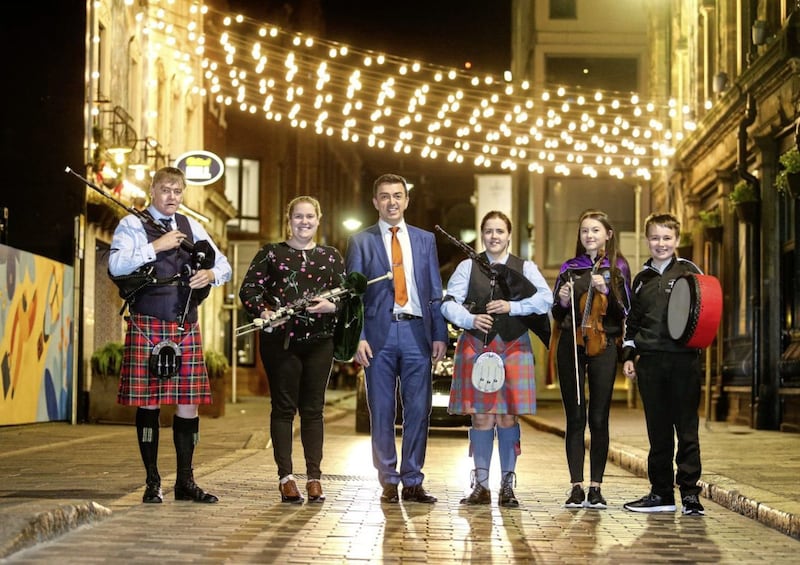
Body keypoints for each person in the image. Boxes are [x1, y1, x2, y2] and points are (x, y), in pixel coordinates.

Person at [108, 166, 231, 504]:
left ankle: (185, 482)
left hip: (185, 322)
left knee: (188, 405)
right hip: (148, 320)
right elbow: (116, 266)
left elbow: (225, 266)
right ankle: (152, 482)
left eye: (177, 191)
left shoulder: (193, 226)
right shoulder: (133, 224)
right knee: (149, 402)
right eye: (165, 190)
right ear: (152, 189)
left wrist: (209, 274)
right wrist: (157, 246)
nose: (172, 197)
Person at [345, 173, 448, 504]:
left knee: (419, 408)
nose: (392, 201)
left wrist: (439, 333)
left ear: (407, 200)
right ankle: (388, 479)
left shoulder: (424, 240)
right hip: (378, 336)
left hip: (417, 332)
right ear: (376, 202)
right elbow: (353, 296)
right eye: (385, 196)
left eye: (398, 195)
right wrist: (358, 336)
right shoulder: (361, 241)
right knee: (382, 409)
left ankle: (413, 479)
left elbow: (434, 290)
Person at [441, 211, 553, 507]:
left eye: (499, 231)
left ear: (508, 235)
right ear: (482, 234)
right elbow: (448, 303)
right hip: (476, 344)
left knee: (507, 416)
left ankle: (507, 485)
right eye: (489, 231)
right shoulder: (468, 266)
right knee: (480, 416)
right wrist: (469, 319)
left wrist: (512, 307)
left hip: (514, 344)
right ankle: (480, 486)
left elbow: (545, 299)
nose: (494, 236)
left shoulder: (524, 267)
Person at [239, 196, 346, 504]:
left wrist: (332, 306)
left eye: (310, 216)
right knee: (284, 408)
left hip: (319, 342)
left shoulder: (331, 256)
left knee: (313, 410)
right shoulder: (271, 253)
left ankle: (314, 477)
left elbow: (348, 298)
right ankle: (286, 477)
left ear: (318, 219)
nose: (304, 221)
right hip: (280, 341)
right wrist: (262, 312)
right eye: (298, 216)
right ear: (289, 220)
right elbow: (249, 289)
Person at [621, 213, 705, 516]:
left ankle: (691, 495)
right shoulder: (641, 279)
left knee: (686, 429)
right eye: (655, 238)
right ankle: (661, 494)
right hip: (651, 363)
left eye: (667, 238)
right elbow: (633, 322)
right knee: (657, 431)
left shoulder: (690, 272)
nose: (661, 243)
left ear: (677, 240)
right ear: (647, 240)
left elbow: (705, 312)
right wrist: (629, 356)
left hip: (684, 362)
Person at [551, 209, 632, 509]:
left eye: (595, 230)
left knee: (598, 417)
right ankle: (576, 486)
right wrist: (560, 300)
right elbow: (557, 314)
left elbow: (625, 313)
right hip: (572, 345)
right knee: (575, 417)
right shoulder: (570, 268)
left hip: (604, 344)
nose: (589, 235)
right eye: (585, 230)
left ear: (608, 234)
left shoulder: (617, 267)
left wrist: (607, 292)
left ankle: (596, 487)